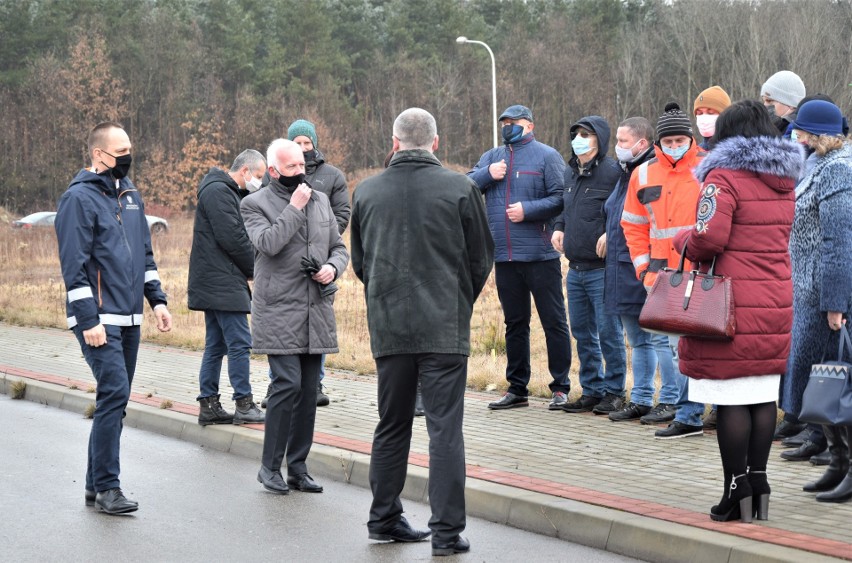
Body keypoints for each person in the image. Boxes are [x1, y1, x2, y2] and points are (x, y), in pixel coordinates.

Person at [351, 108, 494, 557]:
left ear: (393, 143)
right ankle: (446, 534)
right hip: (443, 327)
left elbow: (361, 263)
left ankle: (383, 518)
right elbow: (480, 259)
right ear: (436, 142)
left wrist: (386, 298)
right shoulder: (461, 188)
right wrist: (455, 301)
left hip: (389, 324)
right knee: (444, 430)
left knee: (391, 424)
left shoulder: (367, 192)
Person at [672, 99, 803, 522]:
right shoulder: (784, 179)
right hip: (775, 300)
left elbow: (709, 239)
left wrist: (681, 241)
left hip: (730, 305)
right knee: (762, 395)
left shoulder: (722, 177)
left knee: (731, 400)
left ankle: (735, 490)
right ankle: (759, 486)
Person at [55, 121, 173, 514]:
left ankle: (94, 484)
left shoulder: (131, 195)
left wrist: (157, 301)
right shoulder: (78, 200)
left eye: (129, 151)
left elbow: (145, 255)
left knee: (115, 401)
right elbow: (74, 266)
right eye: (119, 152)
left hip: (131, 318)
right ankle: (108, 488)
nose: (127, 158)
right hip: (99, 319)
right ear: (98, 155)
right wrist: (88, 319)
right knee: (115, 393)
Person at [241, 139, 349, 496]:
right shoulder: (253, 204)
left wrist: (331, 269)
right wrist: (294, 207)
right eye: (291, 168)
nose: (300, 173)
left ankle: (298, 468)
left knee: (308, 392)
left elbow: (338, 247)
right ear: (273, 171)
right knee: (286, 385)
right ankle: (269, 467)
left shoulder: (320, 201)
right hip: (278, 310)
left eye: (302, 166)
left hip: (314, 308)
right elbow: (268, 244)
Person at [468, 104, 572, 411]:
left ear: (529, 124)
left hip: (540, 255)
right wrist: (488, 174)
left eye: (512, 122)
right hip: (504, 256)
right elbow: (466, 185)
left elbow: (560, 198)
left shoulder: (547, 156)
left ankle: (560, 387)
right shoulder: (491, 157)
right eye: (504, 122)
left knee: (554, 321)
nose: (507, 126)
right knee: (515, 323)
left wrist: (529, 210)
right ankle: (517, 389)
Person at [780, 100, 852, 503]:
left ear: (821, 135)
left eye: (803, 131)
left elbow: (839, 244)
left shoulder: (839, 169)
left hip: (829, 300)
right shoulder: (817, 166)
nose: (797, 137)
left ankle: (849, 466)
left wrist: (836, 303)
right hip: (809, 295)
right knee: (819, 384)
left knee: (837, 384)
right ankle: (837, 463)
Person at [621, 102, 708, 438]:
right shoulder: (642, 174)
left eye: (679, 140)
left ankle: (692, 414)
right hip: (661, 277)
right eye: (668, 141)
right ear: (659, 143)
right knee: (675, 349)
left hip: (700, 275)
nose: (674, 146)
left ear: (690, 139)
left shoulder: (707, 168)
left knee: (690, 349)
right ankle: (688, 414)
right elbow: (633, 225)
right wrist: (643, 270)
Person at [260, 119, 351, 408]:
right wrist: (296, 208)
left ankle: (316, 384)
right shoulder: (260, 196)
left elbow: (340, 221)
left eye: (306, 145)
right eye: (296, 145)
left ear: (314, 145)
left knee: (312, 352)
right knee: (288, 379)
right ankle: (278, 389)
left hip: (316, 276)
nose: (301, 151)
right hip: (281, 292)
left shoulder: (330, 177)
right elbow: (268, 241)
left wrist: (327, 255)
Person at [601, 117, 679, 422]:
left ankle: (670, 399)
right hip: (624, 267)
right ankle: (642, 398)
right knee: (638, 340)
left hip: (648, 269)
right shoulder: (626, 173)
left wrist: (645, 267)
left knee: (660, 339)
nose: (617, 147)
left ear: (642, 143)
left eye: (622, 141)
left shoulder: (650, 172)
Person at [551, 116, 626, 415]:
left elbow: (623, 207)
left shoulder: (613, 172)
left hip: (601, 270)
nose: (579, 139)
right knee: (582, 332)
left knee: (609, 332)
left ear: (600, 139)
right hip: (575, 268)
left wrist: (612, 230)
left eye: (586, 134)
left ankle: (615, 391)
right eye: (576, 134)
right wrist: (558, 226)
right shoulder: (571, 173)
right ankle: (592, 390)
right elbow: (566, 208)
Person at [188, 150, 266, 426]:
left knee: (216, 344)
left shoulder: (225, 191)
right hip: (222, 280)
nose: (259, 181)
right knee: (239, 342)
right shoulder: (219, 192)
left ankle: (208, 404)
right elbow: (233, 237)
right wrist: (257, 271)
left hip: (216, 279)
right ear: (244, 171)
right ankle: (243, 403)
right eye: (258, 176)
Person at [760, 70, 806, 137]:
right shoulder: (776, 128)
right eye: (764, 101)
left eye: (769, 100)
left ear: (790, 104)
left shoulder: (797, 134)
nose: (765, 105)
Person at [694, 86, 731, 150]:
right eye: (700, 113)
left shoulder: (738, 152)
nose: (704, 118)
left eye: (710, 113)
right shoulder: (696, 152)